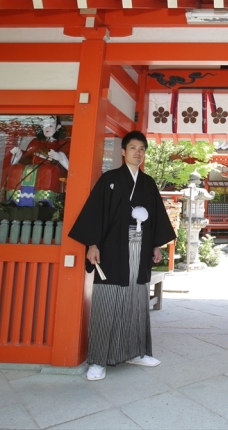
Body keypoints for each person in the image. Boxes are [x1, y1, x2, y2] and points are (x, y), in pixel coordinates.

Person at [68, 131, 176, 381]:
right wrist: (92, 245)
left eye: (142, 149)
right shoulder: (110, 180)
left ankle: (136, 352)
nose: (138, 152)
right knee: (107, 299)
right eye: (133, 148)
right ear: (123, 152)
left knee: (136, 300)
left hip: (140, 246)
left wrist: (156, 246)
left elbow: (156, 217)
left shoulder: (147, 183)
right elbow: (95, 213)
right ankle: (98, 360)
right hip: (112, 247)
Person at [2, 115, 70, 207]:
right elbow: (26, 156)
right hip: (33, 167)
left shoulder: (64, 143)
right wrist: (18, 154)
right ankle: (14, 198)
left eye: (50, 125)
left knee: (48, 170)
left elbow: (70, 165)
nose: (47, 128)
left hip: (52, 169)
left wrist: (60, 157)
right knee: (16, 169)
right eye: (45, 125)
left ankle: (44, 199)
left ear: (57, 127)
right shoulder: (35, 142)